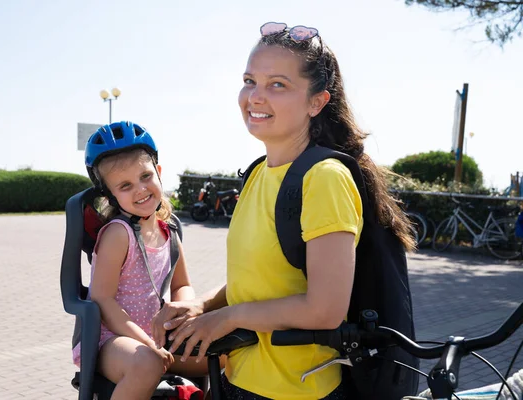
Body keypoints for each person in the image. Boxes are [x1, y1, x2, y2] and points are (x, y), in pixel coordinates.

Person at [151, 22, 416, 400]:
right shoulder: (259, 173)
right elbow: (262, 280)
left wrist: (225, 318)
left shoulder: (325, 178)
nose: (255, 97)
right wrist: (201, 305)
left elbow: (324, 309)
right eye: (249, 81)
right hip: (239, 378)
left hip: (296, 390)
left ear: (316, 101)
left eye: (277, 84)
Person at [72, 121, 208, 400]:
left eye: (145, 176)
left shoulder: (168, 230)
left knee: (222, 352)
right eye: (125, 185)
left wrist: (184, 311)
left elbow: (182, 284)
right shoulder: (118, 234)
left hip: (155, 336)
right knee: (147, 364)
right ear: (110, 195)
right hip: (110, 340)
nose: (140, 189)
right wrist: (146, 342)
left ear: (159, 173)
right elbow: (103, 301)